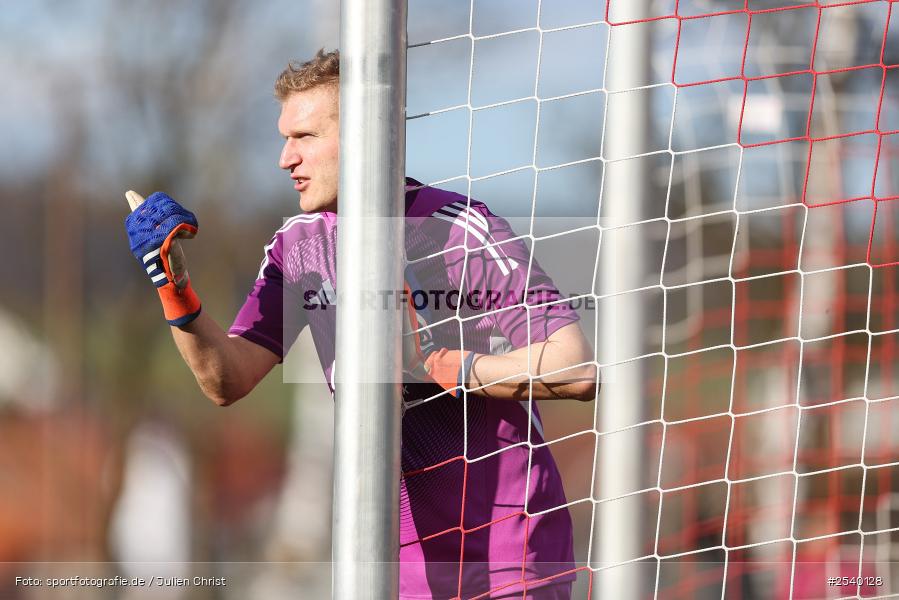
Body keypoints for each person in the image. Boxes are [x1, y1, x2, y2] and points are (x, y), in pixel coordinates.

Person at [125, 49, 597, 600]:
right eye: (284, 138)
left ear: (365, 136)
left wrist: (445, 366)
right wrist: (174, 288)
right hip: (392, 573)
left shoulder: (459, 231)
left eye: (303, 137)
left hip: (508, 564)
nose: (285, 158)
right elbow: (226, 379)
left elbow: (576, 368)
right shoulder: (296, 249)